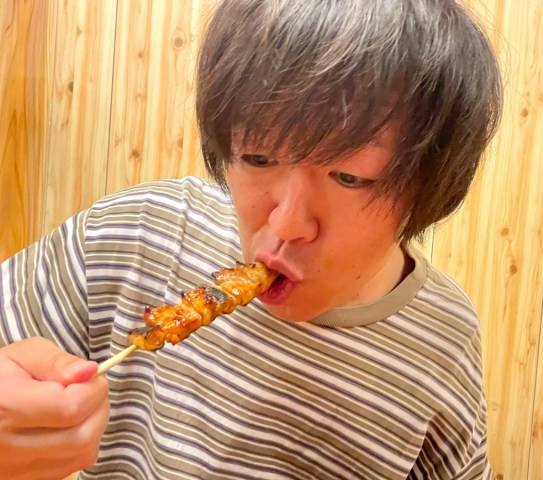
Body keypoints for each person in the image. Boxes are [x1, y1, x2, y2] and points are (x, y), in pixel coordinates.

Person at [0, 0, 502, 478]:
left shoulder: (444, 339)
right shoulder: (137, 233)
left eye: (349, 177)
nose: (285, 224)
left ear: (429, 184)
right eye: (258, 158)